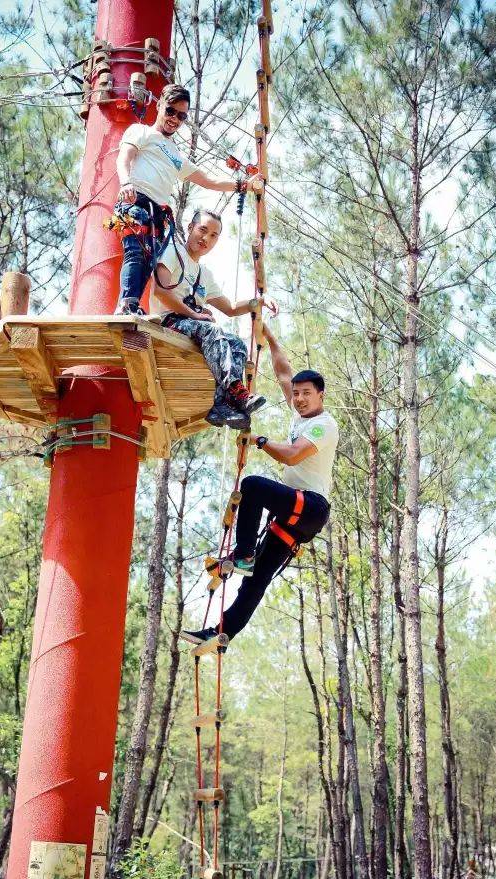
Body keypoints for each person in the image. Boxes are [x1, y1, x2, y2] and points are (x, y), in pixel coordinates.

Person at [182, 326, 339, 645]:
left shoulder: (324, 425)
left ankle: (243, 554)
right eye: (296, 394)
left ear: (320, 394)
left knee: (252, 486)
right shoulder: (299, 416)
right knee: (256, 579)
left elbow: (294, 456)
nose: (299, 399)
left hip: (311, 508)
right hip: (293, 519)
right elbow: (284, 373)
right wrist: (270, 337)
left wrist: (260, 441)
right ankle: (221, 634)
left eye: (306, 393)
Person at [112, 83, 263, 316]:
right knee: (136, 252)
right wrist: (125, 183)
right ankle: (127, 304)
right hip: (136, 199)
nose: (174, 119)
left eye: (181, 116)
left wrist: (244, 185)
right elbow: (125, 157)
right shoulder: (141, 132)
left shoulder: (177, 157)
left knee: (149, 259)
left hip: (157, 212)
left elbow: (209, 180)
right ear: (159, 105)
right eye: (170, 111)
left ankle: (131, 304)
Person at [151, 208, 279, 429]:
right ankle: (236, 390)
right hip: (170, 321)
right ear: (190, 228)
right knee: (212, 329)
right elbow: (161, 291)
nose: (205, 239)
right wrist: (194, 314)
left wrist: (257, 301)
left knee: (237, 344)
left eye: (213, 236)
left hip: (193, 325)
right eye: (202, 230)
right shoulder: (173, 253)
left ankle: (222, 403)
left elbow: (229, 308)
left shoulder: (204, 275)